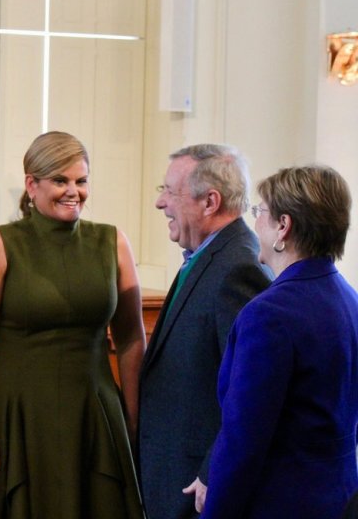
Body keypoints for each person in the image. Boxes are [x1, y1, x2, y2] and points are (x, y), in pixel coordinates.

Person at [0, 131, 147, 519]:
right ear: (32, 184)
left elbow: (130, 340)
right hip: (16, 419)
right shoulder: (2, 244)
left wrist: (131, 420)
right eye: (61, 180)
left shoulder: (112, 243)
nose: (73, 191)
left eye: (81, 180)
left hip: (92, 417)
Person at [201, 165, 358, 519]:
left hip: (281, 501)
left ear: (283, 227)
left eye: (260, 212)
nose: (255, 223)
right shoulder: (350, 300)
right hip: (340, 498)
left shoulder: (269, 314)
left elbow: (243, 440)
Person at [138, 144, 272, 519]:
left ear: (209, 202)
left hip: (197, 488)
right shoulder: (205, 257)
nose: (160, 203)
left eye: (169, 191)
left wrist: (212, 470)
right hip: (175, 476)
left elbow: (252, 386)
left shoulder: (239, 269)